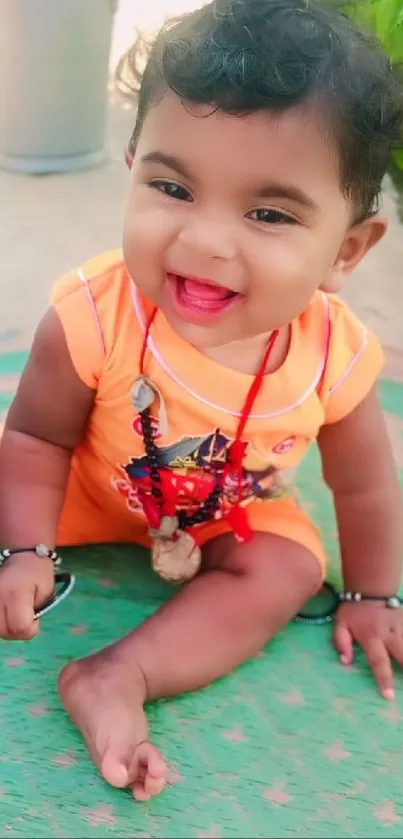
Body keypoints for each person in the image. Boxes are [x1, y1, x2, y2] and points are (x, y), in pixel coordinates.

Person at [0, 0, 402, 803]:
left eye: (268, 212)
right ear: (132, 167)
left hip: (226, 512)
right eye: (172, 186)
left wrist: (371, 592)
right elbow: (36, 440)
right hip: (83, 483)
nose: (206, 239)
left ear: (345, 250)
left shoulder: (335, 356)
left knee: (288, 566)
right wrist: (25, 549)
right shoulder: (91, 314)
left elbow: (363, 488)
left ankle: (120, 673)